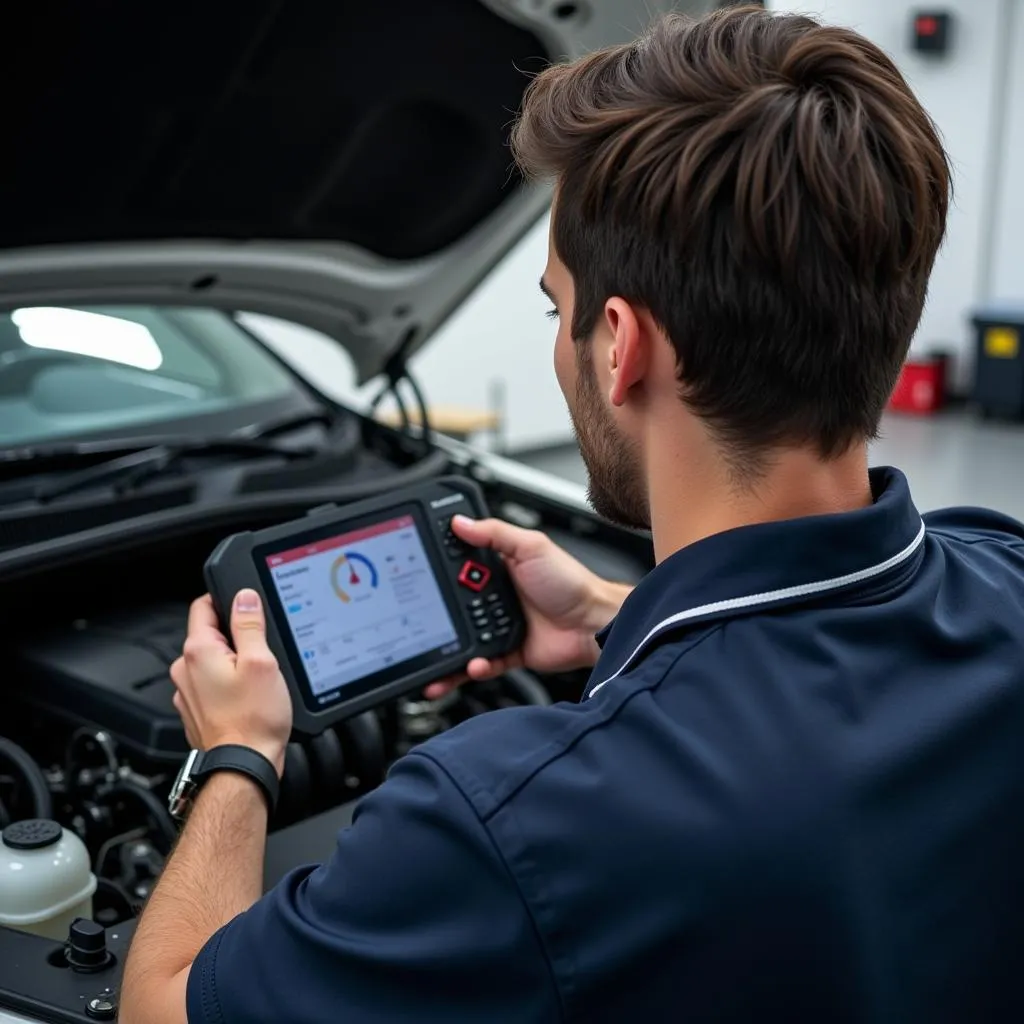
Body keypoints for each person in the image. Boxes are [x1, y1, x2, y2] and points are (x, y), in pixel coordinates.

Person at [120, 6, 1024, 1023]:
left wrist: (236, 755)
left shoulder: (510, 822)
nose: (562, 341)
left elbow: (163, 1008)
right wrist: (614, 615)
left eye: (559, 310)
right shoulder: (1004, 571)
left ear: (620, 345)